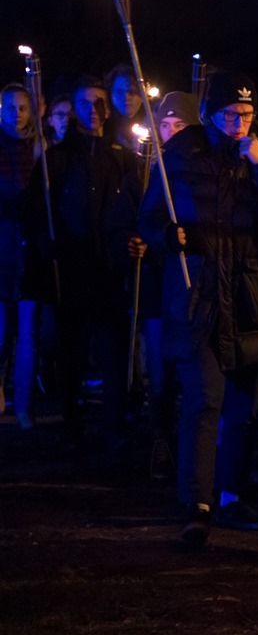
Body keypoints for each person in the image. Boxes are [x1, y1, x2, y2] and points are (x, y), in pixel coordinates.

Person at [137, 70, 258, 547]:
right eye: (231, 114)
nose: (240, 123)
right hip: (198, 294)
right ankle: (196, 503)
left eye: (247, 114)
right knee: (204, 400)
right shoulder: (181, 153)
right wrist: (167, 236)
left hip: (251, 296)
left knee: (243, 409)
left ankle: (231, 496)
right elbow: (149, 218)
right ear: (210, 113)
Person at [21, 75, 142, 454]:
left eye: (100, 103)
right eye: (86, 103)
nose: (94, 110)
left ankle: (113, 425)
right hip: (70, 269)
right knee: (70, 352)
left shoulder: (121, 157)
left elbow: (134, 210)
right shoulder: (56, 159)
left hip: (108, 271)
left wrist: (131, 244)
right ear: (74, 109)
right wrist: (46, 243)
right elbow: (36, 211)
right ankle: (72, 425)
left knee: (112, 352)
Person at [141, 91, 202, 480]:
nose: (173, 132)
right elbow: (143, 217)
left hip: (194, 283)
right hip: (157, 287)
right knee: (160, 372)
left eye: (181, 125)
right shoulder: (153, 166)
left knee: (194, 376)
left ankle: (192, 451)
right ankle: (161, 441)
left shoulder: (200, 166)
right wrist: (160, 235)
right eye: (166, 125)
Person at [0, 84, 40, 423]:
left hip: (30, 251)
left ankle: (23, 400)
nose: (17, 114)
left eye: (23, 108)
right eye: (11, 107)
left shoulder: (36, 147)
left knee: (27, 335)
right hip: (2, 249)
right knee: (1, 330)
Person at [104, 64, 145, 150]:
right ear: (111, 94)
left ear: (142, 95)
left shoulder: (157, 126)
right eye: (119, 92)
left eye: (132, 91)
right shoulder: (102, 127)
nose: (126, 97)